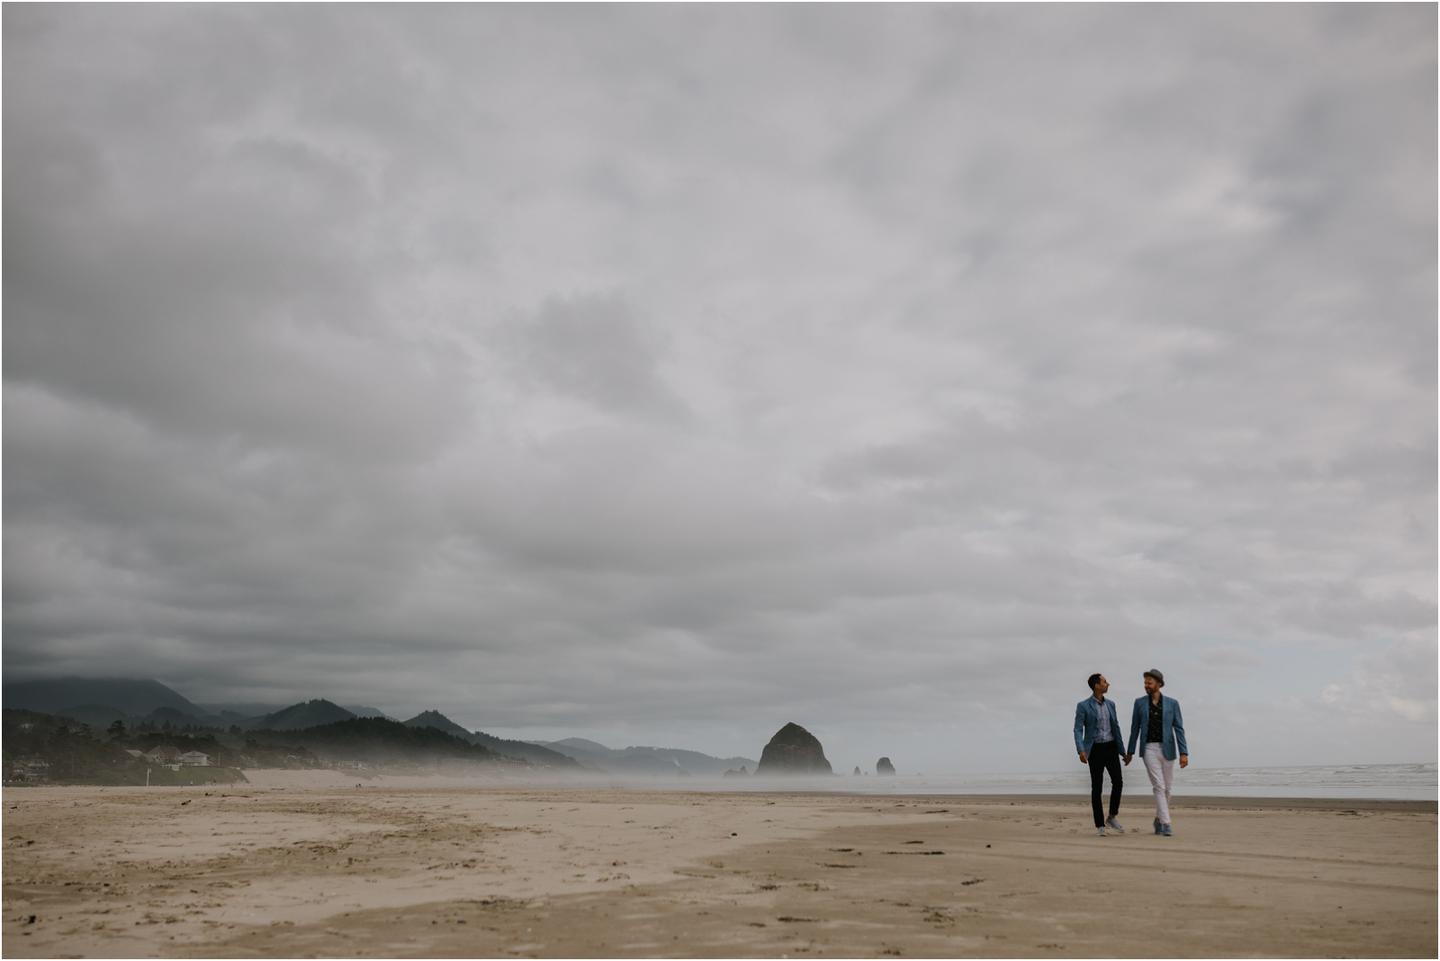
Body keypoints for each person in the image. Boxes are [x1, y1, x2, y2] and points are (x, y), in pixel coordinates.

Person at [1125, 668, 1188, 836]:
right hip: (1148, 749)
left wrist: (1184, 753)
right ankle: (1166, 823)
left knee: (1168, 788)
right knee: (1158, 786)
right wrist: (1130, 751)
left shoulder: (1173, 704)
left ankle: (1159, 819)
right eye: (1145, 682)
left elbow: (1179, 728)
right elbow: (1135, 728)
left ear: (1159, 684)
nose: (1146, 685)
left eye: (1149, 682)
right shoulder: (1139, 703)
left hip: (1168, 749)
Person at [1073, 673, 1125, 836]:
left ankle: (1112, 816)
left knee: (1118, 782)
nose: (1108, 684)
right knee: (1097, 787)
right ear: (1096, 685)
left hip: (1111, 747)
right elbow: (1077, 729)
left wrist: (1122, 751)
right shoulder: (1083, 706)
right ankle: (1100, 825)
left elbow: (1116, 727)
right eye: (1104, 682)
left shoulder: (1111, 704)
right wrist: (1081, 750)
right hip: (1094, 749)